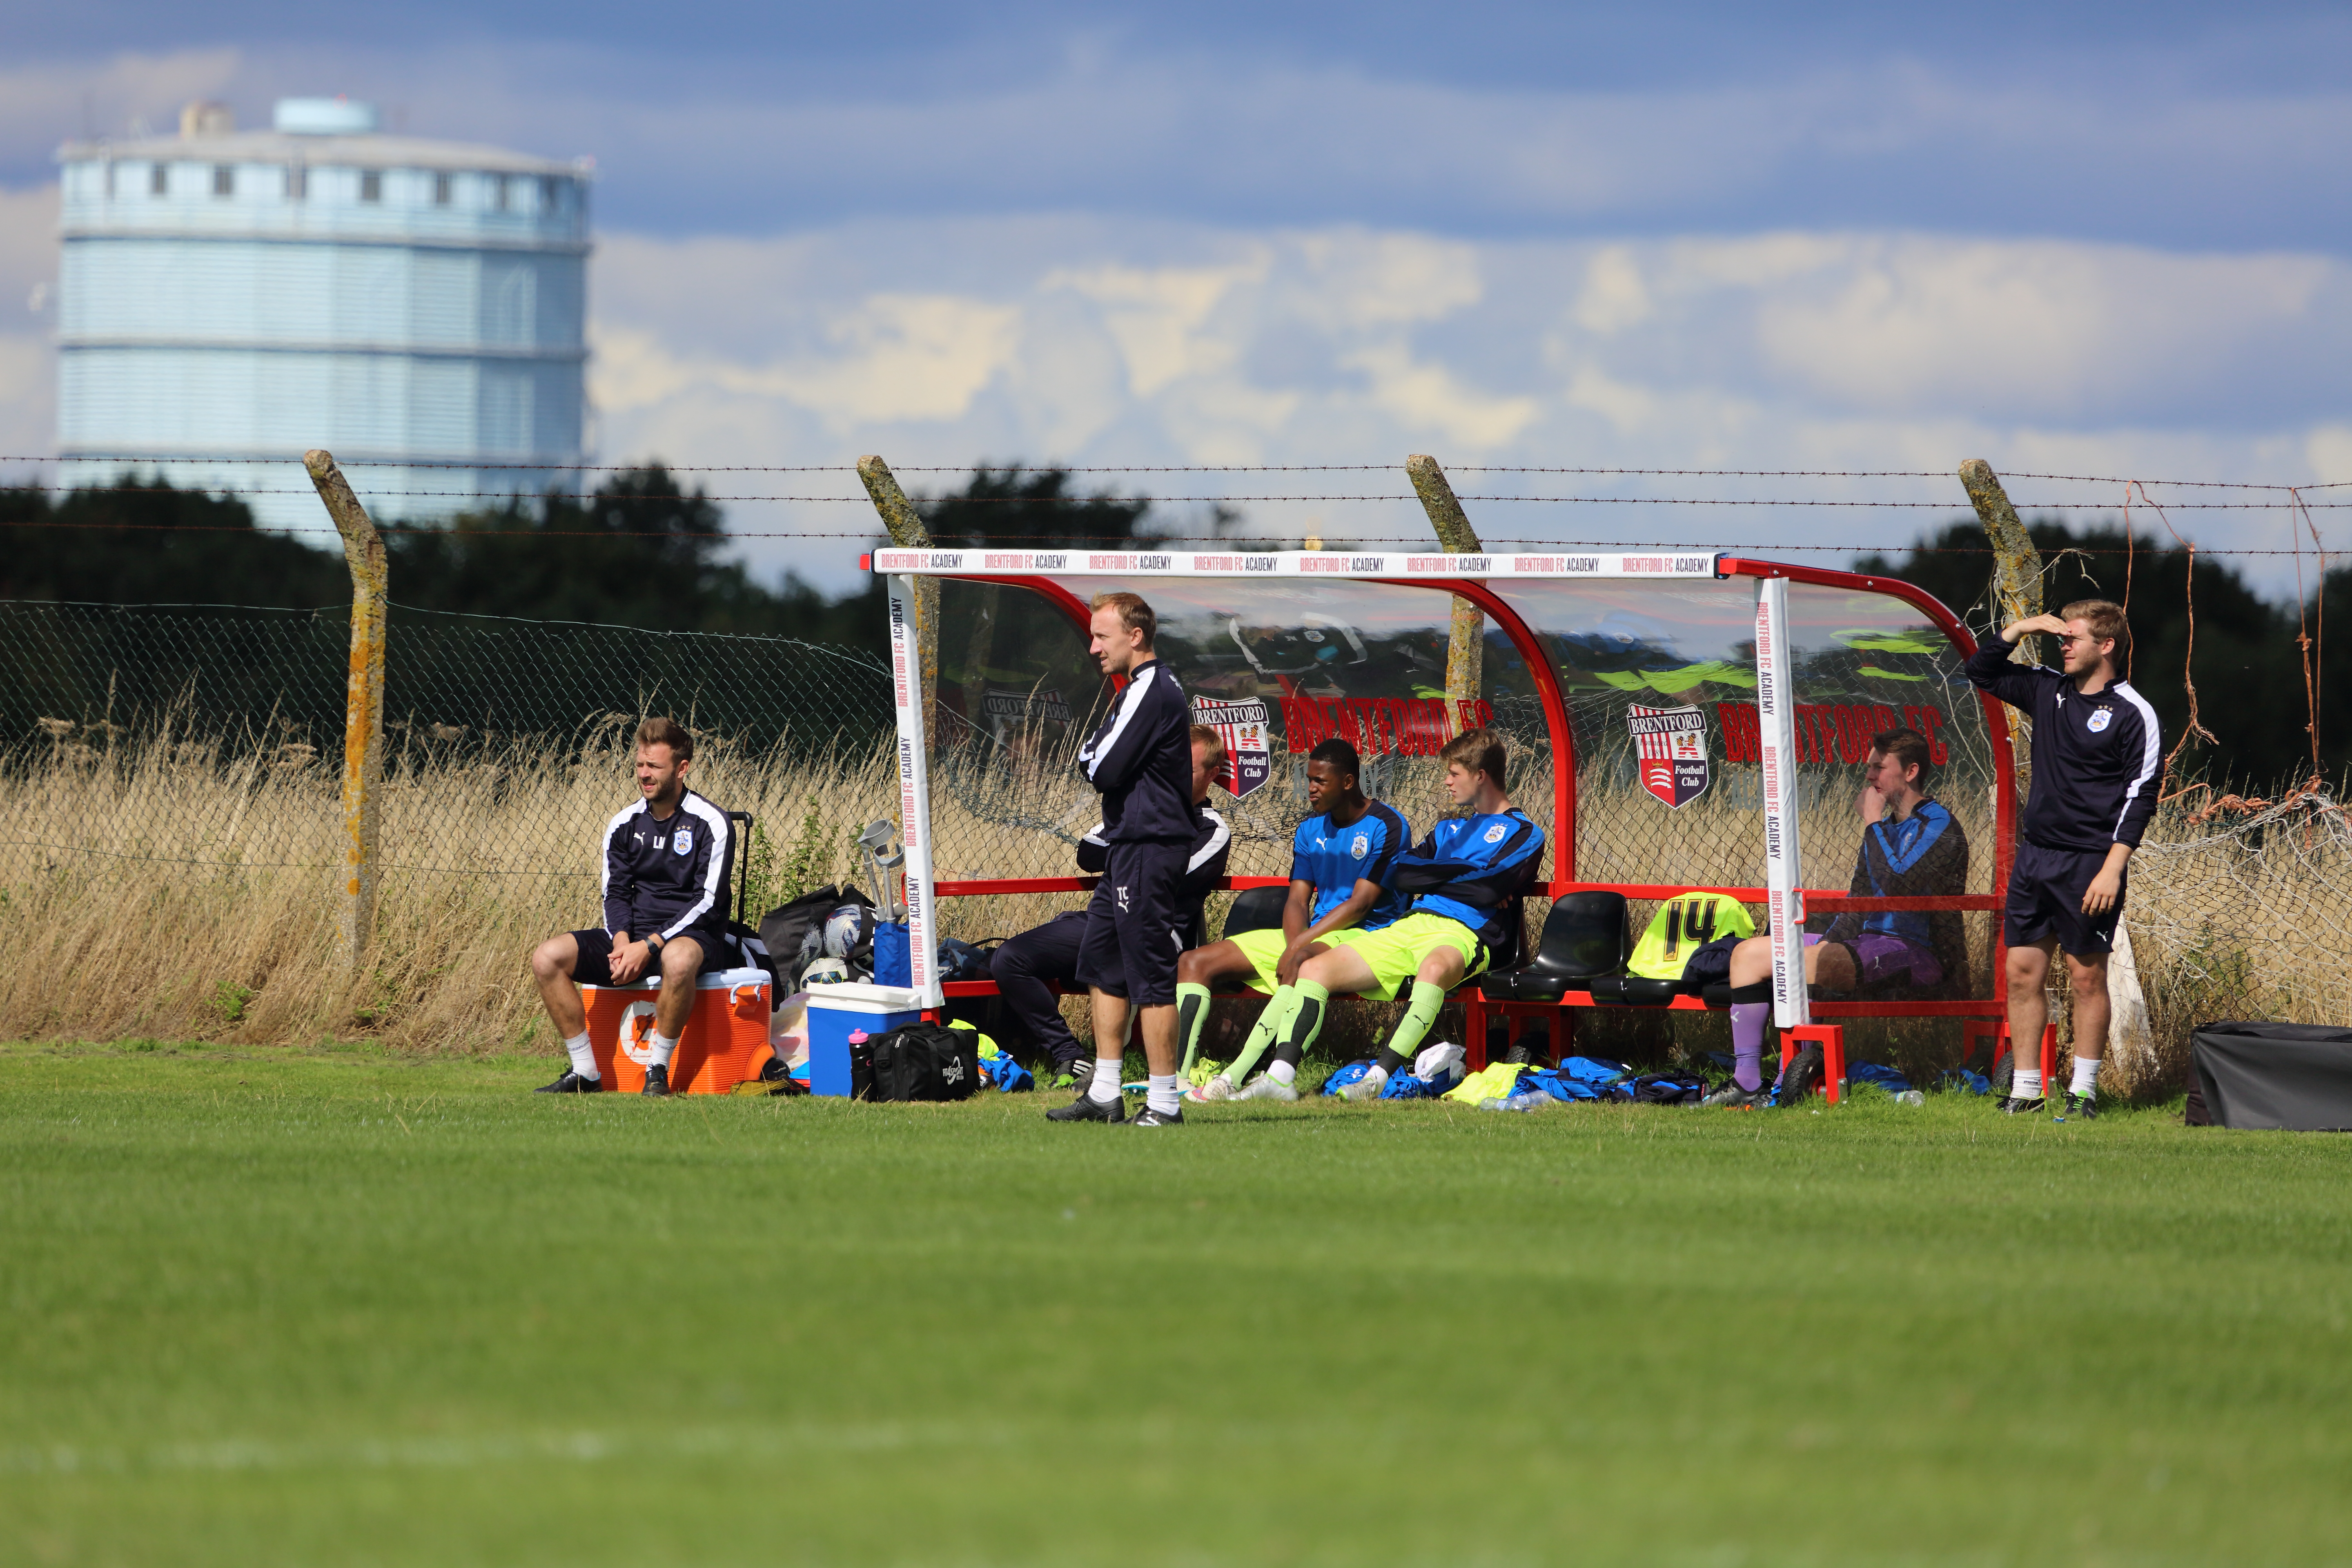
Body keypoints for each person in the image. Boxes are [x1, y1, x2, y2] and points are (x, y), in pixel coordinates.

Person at [1702, 728, 1970, 1108]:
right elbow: (1860, 897)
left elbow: (1899, 883)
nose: (1870, 777)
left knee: (1806, 964)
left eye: (1879, 768)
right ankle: (1746, 1082)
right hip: (1868, 942)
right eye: (1869, 768)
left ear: (1911, 772)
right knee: (1747, 955)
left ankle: (1789, 1079)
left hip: (1917, 952)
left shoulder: (1938, 824)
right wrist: (1831, 938)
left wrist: (1872, 822)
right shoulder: (1886, 828)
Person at [1275, 726, 1544, 1102]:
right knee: (1313, 969)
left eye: (1454, 774)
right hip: (1412, 924)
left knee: (1433, 968)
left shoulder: (1524, 832)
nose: (1447, 782)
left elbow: (1489, 891)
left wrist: (1438, 876)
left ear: (1480, 776)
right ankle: (1280, 1079)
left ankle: (1376, 1080)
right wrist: (1465, 873)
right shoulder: (1448, 829)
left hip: (1467, 932)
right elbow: (1403, 875)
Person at [1967, 598, 2160, 1117]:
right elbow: (1980, 670)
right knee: (2023, 973)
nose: (2064, 645)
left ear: (2107, 645)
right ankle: (2027, 1090)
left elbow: (2141, 796)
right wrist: (2023, 626)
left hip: (2090, 864)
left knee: (2086, 977)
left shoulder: (2133, 712)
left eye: (2073, 638)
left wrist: (2112, 869)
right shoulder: (2047, 689)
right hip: (2036, 859)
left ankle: (2083, 1093)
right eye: (2061, 638)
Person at [989, 726, 1232, 1089]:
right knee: (1009, 959)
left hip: (1156, 932)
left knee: (1117, 957)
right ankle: (1071, 1055)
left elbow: (1161, 876)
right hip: (1102, 919)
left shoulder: (1212, 829)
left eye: (1189, 768)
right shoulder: (1137, 805)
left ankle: (1114, 1075)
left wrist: (1125, 847)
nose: (1175, 775)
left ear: (1212, 775)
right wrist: (1139, 847)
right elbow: (1087, 854)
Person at [1176, 738, 1411, 1103]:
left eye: (1321, 781)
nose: (1311, 788)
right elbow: (1298, 900)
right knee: (1194, 962)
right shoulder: (1309, 830)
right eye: (1309, 779)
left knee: (1300, 961)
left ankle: (1233, 1078)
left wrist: (1298, 947)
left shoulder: (1387, 825)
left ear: (1348, 782)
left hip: (1367, 936)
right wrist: (1293, 943)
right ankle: (1176, 1079)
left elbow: (1361, 905)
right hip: (1317, 934)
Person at [1049, 592, 1201, 1127]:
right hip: (1128, 848)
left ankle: (1164, 1103)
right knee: (1104, 966)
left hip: (1148, 847)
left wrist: (1091, 755)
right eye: (1091, 636)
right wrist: (1097, 753)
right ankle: (1105, 1094)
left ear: (1135, 637)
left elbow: (1101, 765)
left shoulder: (1151, 689)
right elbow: (1104, 756)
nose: (1093, 647)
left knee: (1152, 976)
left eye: (1102, 636)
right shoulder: (1139, 689)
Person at [530, 717, 735, 1097]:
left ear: (682, 768)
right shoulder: (624, 823)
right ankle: (585, 1073)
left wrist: (650, 945)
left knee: (677, 961)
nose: (644, 775)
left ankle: (657, 1070)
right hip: (632, 938)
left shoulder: (712, 823)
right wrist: (623, 940)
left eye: (654, 767)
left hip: (690, 937)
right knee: (547, 958)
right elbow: (616, 892)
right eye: (640, 765)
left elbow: (707, 903)